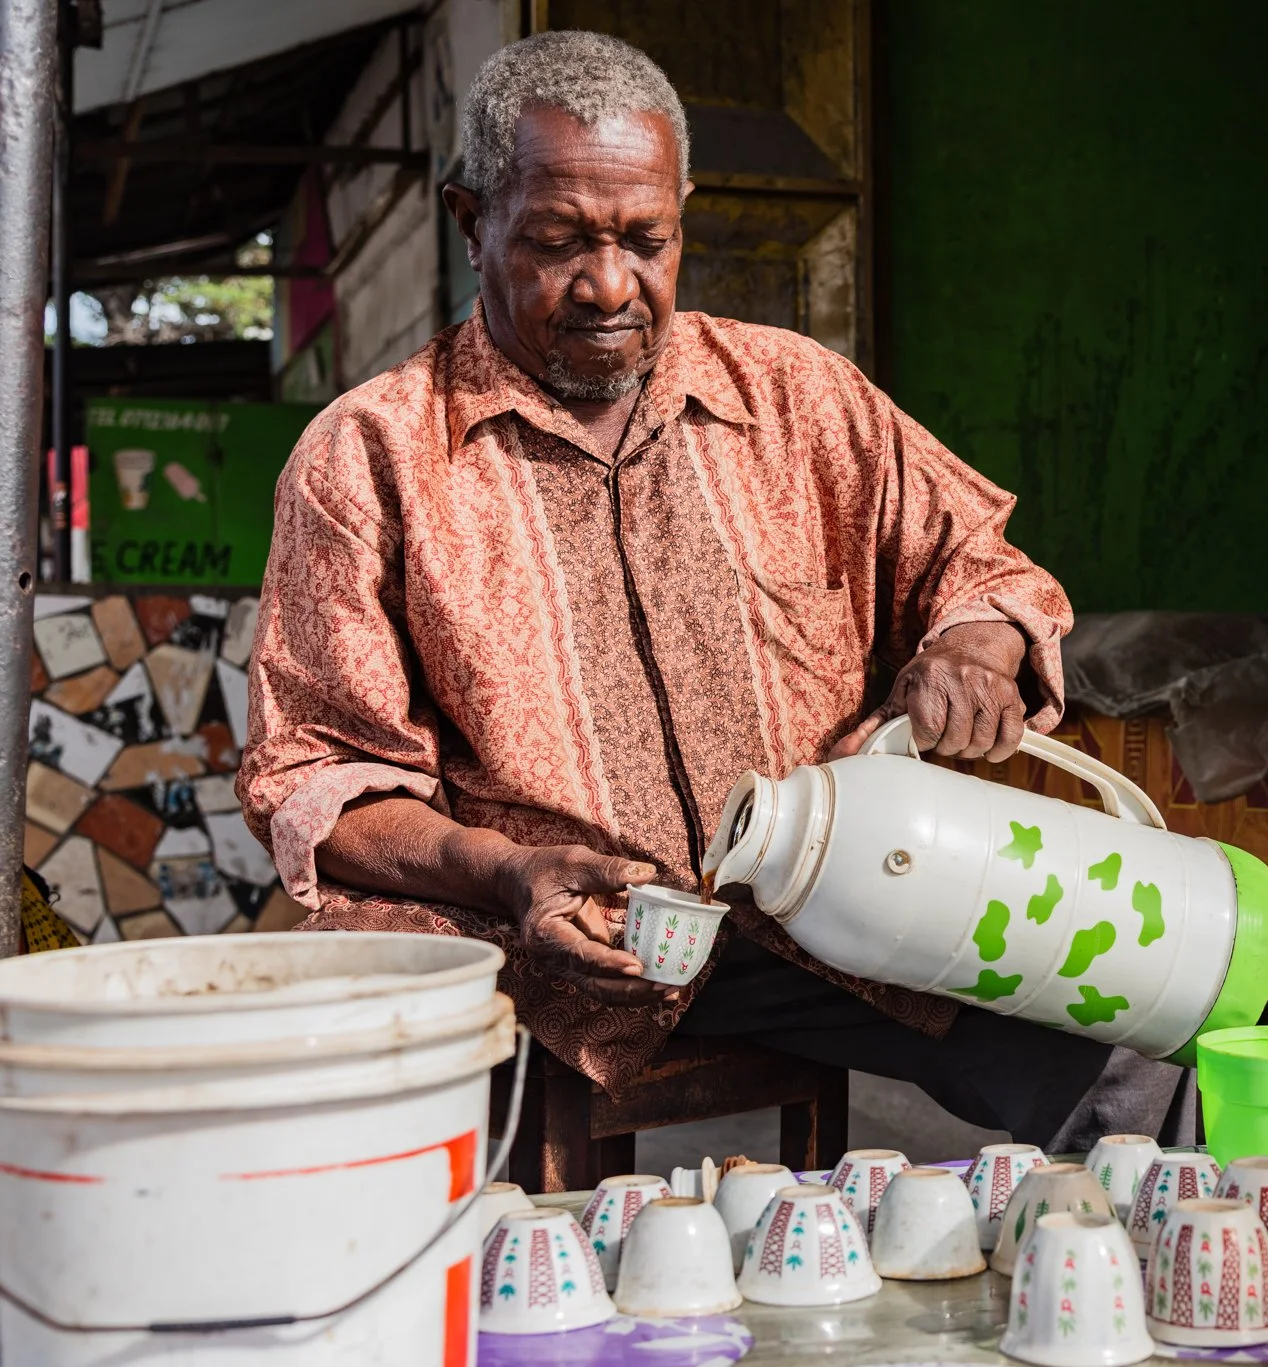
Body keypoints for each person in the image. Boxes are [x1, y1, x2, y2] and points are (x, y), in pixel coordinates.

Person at [236, 31, 1192, 1150]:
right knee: (415, 1180)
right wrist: (509, 876)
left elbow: (978, 565)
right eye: (556, 241)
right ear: (470, 220)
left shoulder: (796, 395)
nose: (609, 285)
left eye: (647, 239)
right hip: (541, 939)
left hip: (836, 908)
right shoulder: (370, 456)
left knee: (1131, 1060)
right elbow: (316, 778)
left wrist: (971, 648)